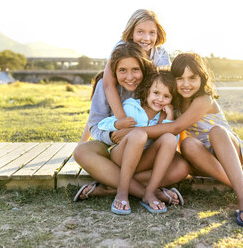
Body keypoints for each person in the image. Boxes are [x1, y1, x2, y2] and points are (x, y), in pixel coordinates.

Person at [111, 53, 243, 228]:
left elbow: (175, 128)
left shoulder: (204, 99)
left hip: (229, 155)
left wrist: (133, 130)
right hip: (199, 161)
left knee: (217, 131)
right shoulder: (174, 100)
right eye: (180, 78)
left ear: (202, 78)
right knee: (187, 144)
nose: (186, 84)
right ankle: (115, 186)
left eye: (192, 78)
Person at [73, 42, 188, 207]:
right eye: (122, 70)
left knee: (181, 167)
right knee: (81, 151)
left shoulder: (159, 88)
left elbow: (170, 136)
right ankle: (148, 193)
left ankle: (108, 187)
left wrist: (163, 120)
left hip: (147, 155)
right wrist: (114, 133)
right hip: (119, 149)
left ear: (144, 69)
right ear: (114, 71)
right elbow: (96, 125)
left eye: (135, 70)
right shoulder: (122, 98)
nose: (129, 77)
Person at [80, 9, 170, 142]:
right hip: (122, 90)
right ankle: (82, 142)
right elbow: (108, 83)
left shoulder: (160, 53)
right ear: (131, 33)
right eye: (140, 32)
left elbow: (167, 85)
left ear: (158, 34)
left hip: (146, 92)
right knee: (102, 102)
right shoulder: (121, 47)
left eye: (152, 33)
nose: (146, 38)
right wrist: (122, 122)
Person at [98, 70, 179, 214]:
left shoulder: (164, 116)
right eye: (156, 93)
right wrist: (118, 125)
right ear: (147, 90)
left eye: (166, 96)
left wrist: (169, 118)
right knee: (139, 135)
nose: (160, 99)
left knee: (170, 138)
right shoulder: (131, 106)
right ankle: (122, 192)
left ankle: (149, 192)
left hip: (142, 161)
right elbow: (102, 124)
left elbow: (172, 145)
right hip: (120, 156)